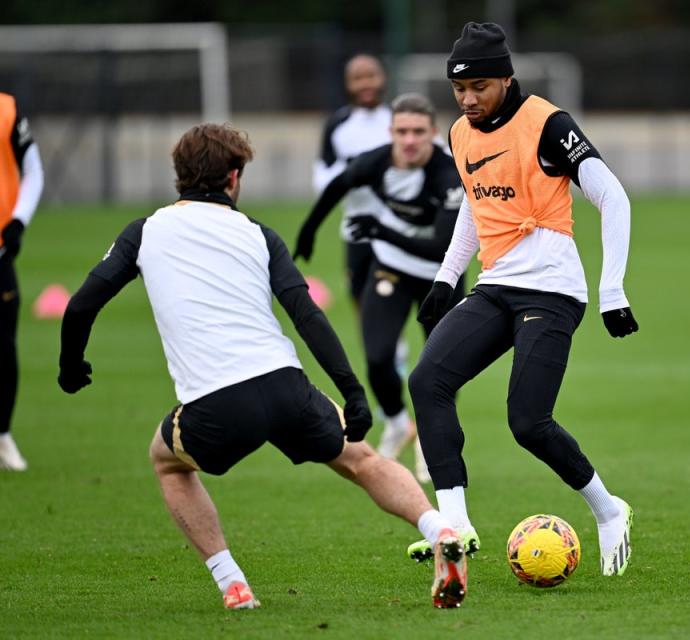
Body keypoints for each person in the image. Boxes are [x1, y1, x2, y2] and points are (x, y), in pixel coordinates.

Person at [57, 123, 468, 610]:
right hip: (286, 386)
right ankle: (438, 526)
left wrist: (71, 364)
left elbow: (81, 305)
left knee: (167, 462)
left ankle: (232, 583)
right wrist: (353, 392)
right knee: (363, 460)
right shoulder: (258, 234)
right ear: (234, 178)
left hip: (216, 402)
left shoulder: (144, 231)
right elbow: (307, 315)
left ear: (179, 176)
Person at [407, 22, 639, 577]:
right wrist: (446, 277)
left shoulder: (547, 123)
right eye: (459, 89)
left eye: (479, 87)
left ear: (506, 80)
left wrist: (613, 290)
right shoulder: (460, 134)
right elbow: (474, 203)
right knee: (427, 382)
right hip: (496, 287)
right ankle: (455, 524)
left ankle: (609, 511)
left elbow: (613, 196)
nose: (467, 99)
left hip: (553, 292)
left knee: (528, 422)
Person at [295, 94, 464, 486]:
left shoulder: (448, 173)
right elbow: (341, 182)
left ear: (433, 134)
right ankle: (397, 422)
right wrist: (309, 228)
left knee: (440, 367)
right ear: (391, 133)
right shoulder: (377, 159)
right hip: (391, 269)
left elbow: (441, 244)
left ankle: (429, 439)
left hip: (443, 275)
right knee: (376, 357)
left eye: (418, 132)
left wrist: (379, 229)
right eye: (401, 132)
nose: (409, 140)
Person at [312, 53, 392, 310]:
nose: (366, 84)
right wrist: (351, 177)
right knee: (361, 299)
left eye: (371, 75)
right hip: (357, 231)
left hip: (400, 229)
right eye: (358, 78)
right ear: (348, 84)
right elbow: (322, 178)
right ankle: (384, 351)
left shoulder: (399, 121)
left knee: (397, 296)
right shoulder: (337, 126)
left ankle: (397, 349)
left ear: (382, 78)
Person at [0, 92, 44, 472]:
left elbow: (33, 170)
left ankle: (2, 435)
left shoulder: (7, 110)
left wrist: (19, 221)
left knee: (3, 347)